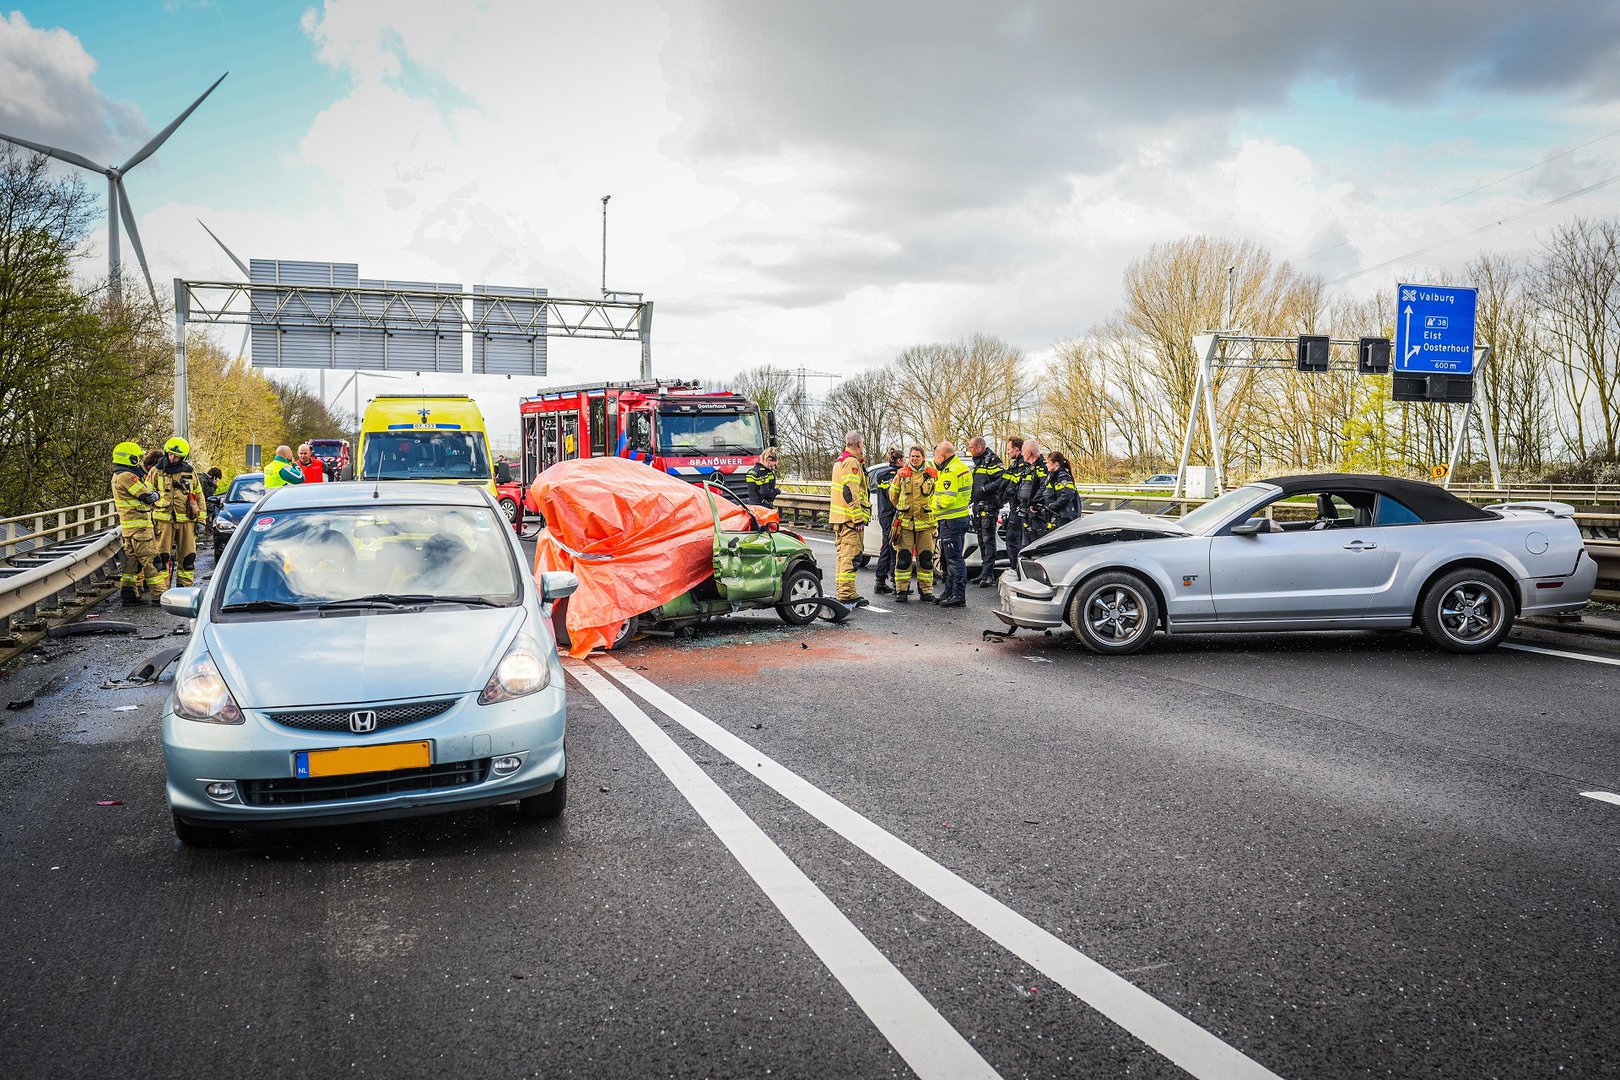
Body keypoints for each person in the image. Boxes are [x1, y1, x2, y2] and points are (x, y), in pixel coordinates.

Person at [110, 441, 164, 604]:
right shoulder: (128, 476)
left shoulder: (117, 476)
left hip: (128, 528)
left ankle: (129, 594)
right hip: (140, 527)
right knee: (152, 562)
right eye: (137, 457)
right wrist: (156, 495)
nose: (139, 460)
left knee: (132, 564)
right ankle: (159, 595)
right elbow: (147, 496)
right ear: (130, 458)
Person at [149, 436, 204, 592]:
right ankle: (161, 592)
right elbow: (145, 494)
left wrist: (201, 520)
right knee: (161, 558)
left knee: (188, 558)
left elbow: (199, 497)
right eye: (170, 454)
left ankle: (184, 589)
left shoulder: (189, 472)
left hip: (187, 520)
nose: (172, 457)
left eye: (177, 455)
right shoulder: (156, 471)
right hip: (162, 521)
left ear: (183, 457)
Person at [888, 446, 937, 602]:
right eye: (912, 456)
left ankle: (926, 590)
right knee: (903, 558)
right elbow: (893, 496)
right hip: (906, 523)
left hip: (926, 524)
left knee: (926, 558)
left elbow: (936, 496)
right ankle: (901, 590)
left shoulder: (931, 474)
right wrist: (903, 508)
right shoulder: (901, 474)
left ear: (923, 457)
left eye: (917, 456)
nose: (914, 459)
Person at [828, 431, 870, 607]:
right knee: (850, 557)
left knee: (844, 556)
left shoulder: (842, 460)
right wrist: (858, 518)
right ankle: (846, 594)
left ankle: (846, 591)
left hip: (841, 518)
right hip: (849, 520)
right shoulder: (851, 462)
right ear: (859, 444)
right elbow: (850, 492)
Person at [931, 441, 974, 606]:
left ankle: (958, 595)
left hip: (951, 519)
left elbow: (948, 498)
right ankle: (949, 591)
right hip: (959, 517)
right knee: (949, 558)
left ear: (942, 456)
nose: (935, 459)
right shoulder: (961, 467)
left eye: (936, 455)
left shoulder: (950, 471)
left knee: (954, 559)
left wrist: (932, 505)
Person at [967, 436, 1005, 587]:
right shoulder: (978, 462)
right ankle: (984, 572)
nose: (969, 450)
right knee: (981, 539)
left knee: (988, 540)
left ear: (980, 447)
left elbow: (1002, 479)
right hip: (978, 506)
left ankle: (988, 575)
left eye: (971, 447)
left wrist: (985, 489)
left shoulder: (992, 460)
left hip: (988, 506)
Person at [1005, 437, 1046, 572]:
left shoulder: (1043, 467)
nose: (1021, 454)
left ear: (1028, 453)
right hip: (1022, 512)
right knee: (1023, 545)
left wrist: (1034, 504)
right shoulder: (1026, 468)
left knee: (1035, 547)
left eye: (1023, 451)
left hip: (1036, 515)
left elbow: (1045, 489)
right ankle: (1019, 571)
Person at [869, 447, 903, 594]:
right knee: (895, 548)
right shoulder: (900, 475)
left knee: (886, 547)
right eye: (904, 459)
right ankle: (895, 581)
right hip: (895, 514)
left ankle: (880, 580)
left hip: (884, 514)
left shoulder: (881, 474)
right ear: (899, 460)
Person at [1041, 450, 1080, 533]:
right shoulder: (1054, 476)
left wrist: (1052, 506)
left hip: (1064, 517)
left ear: (1056, 464)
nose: (1046, 464)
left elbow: (1067, 495)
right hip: (1057, 516)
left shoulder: (1063, 476)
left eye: (1048, 462)